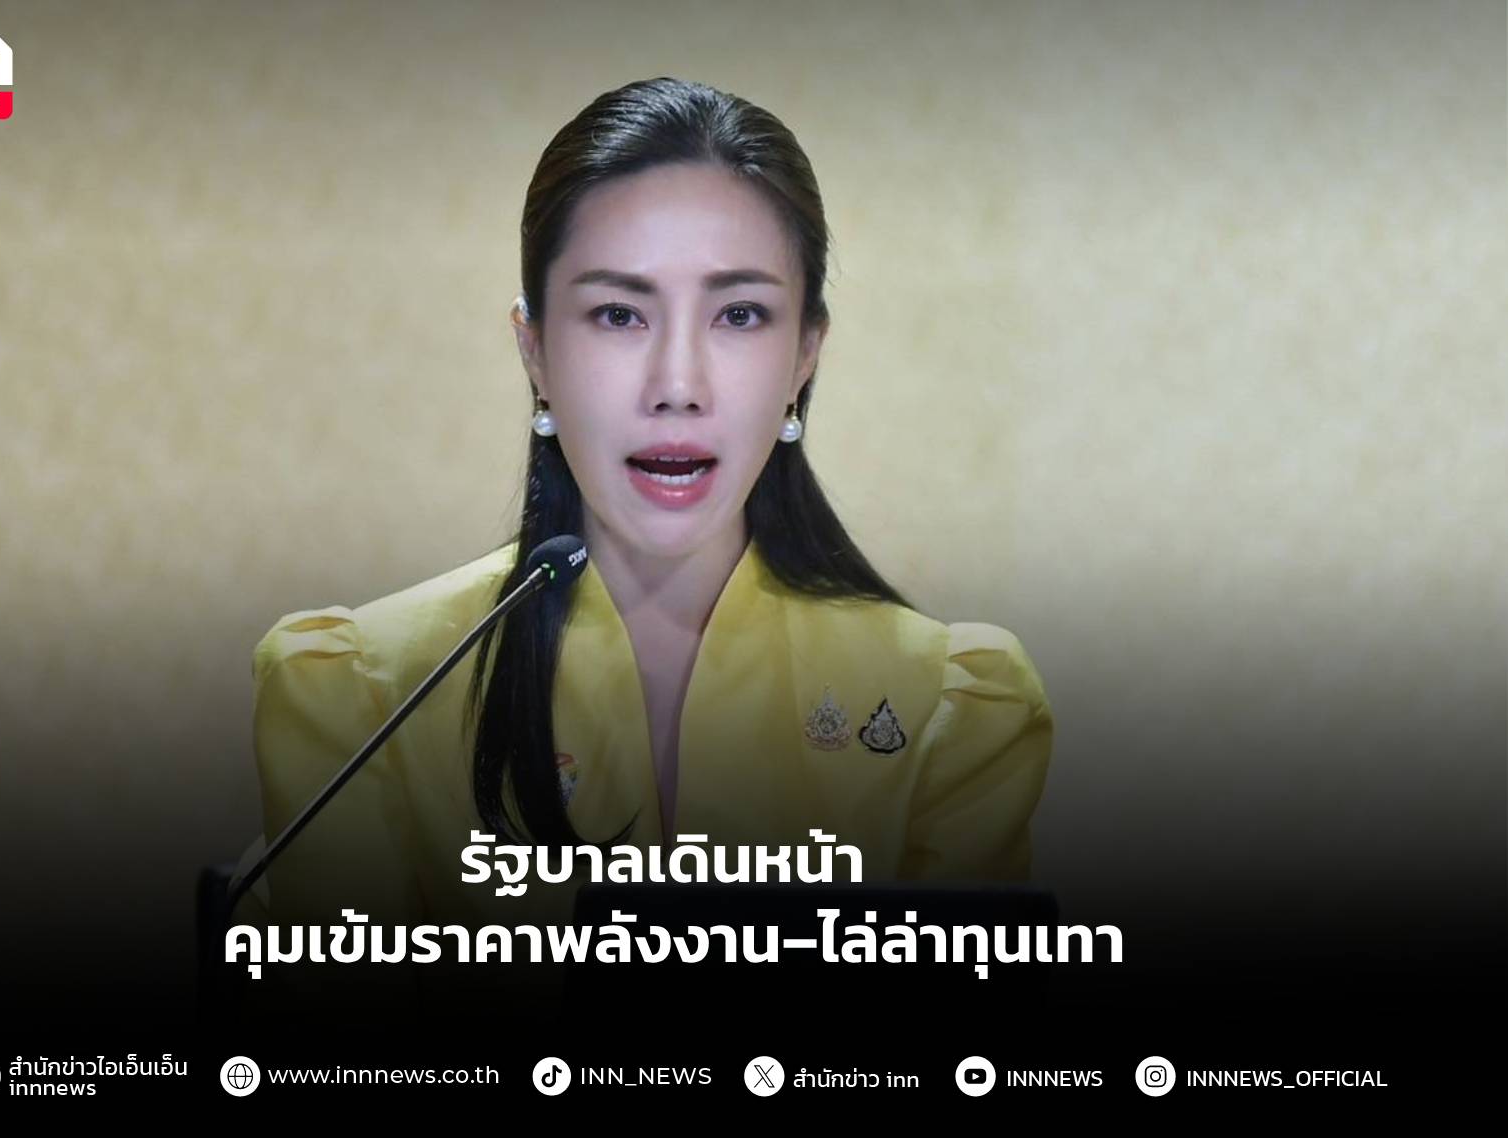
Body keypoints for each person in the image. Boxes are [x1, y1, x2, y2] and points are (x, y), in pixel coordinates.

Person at [234, 78, 1053, 1008]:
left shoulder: (951, 708)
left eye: (738, 314)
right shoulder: (359, 692)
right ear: (535, 351)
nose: (676, 384)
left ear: (805, 353)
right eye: (619, 314)